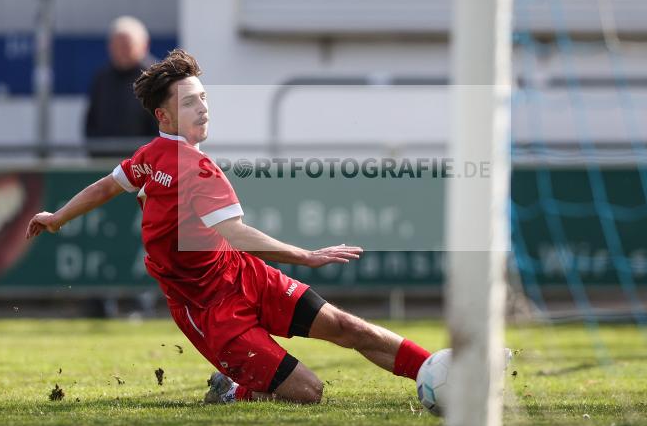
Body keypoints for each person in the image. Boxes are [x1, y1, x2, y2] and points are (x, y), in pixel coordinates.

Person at [27, 48, 433, 404]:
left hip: (242, 275)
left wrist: (56, 218)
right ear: (163, 115)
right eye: (189, 103)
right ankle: (232, 387)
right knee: (310, 392)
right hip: (208, 309)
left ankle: (434, 369)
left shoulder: (157, 155)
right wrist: (305, 257)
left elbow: (106, 187)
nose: (203, 108)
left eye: (203, 98)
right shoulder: (187, 166)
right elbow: (236, 232)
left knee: (345, 326)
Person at [84, 16, 157, 155]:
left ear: (144, 45)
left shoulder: (158, 79)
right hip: (106, 165)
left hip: (146, 167)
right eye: (117, 46)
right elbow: (91, 122)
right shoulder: (102, 79)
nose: (121, 51)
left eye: (127, 45)